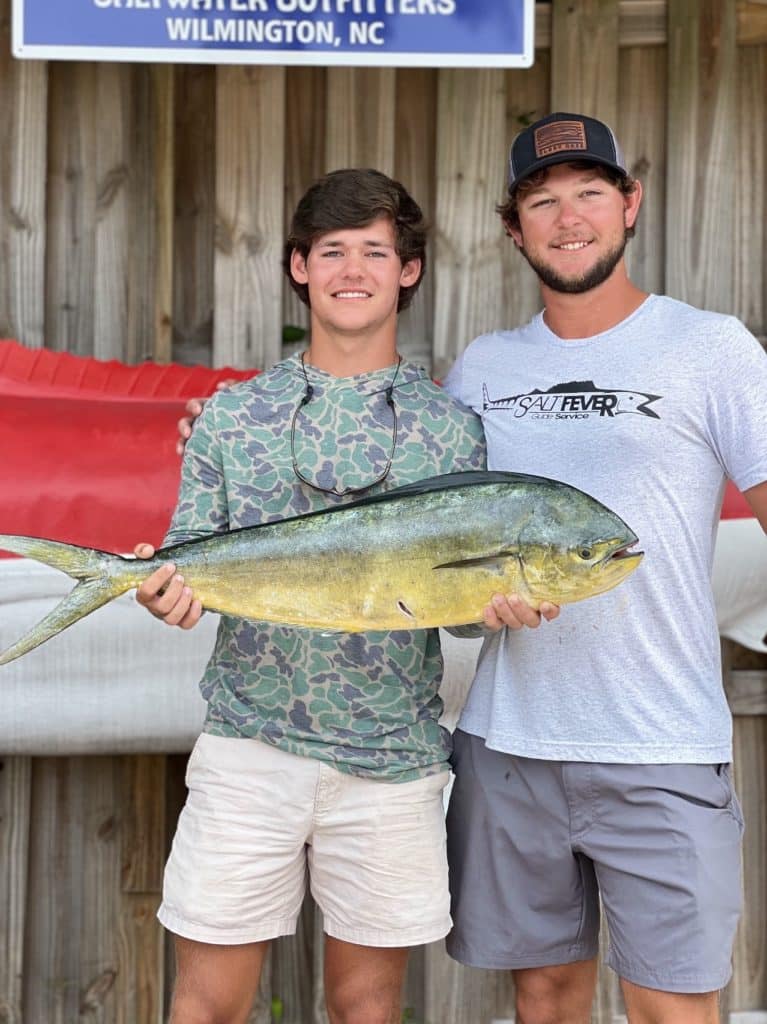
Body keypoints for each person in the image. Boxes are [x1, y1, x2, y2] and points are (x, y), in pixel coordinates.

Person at [133, 168, 492, 1024]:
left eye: (375, 250)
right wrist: (166, 592)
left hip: (391, 762)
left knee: (365, 1009)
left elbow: (468, 604)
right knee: (205, 1005)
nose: (352, 269)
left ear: (407, 270)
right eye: (331, 251)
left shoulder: (453, 429)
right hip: (248, 750)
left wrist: (501, 605)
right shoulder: (230, 417)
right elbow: (192, 562)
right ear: (299, 267)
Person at [443, 112, 767, 1024]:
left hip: (659, 745)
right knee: (543, 1000)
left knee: (671, 1006)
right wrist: (476, 607)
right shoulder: (481, 368)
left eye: (589, 191)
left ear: (629, 204)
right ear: (514, 230)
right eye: (542, 201)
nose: (567, 216)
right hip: (511, 743)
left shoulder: (710, 348)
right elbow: (445, 564)